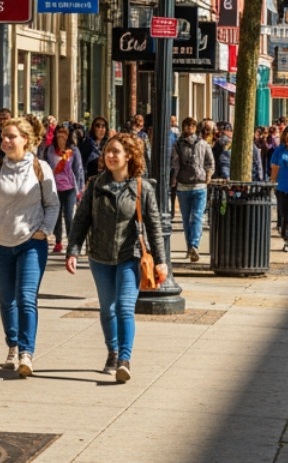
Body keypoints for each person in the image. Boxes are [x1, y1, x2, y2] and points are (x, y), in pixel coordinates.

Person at [66, 133, 167, 381]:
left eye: (116, 152)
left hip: (130, 256)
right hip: (99, 255)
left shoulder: (142, 187)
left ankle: (124, 358)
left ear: (128, 156)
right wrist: (73, 250)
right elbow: (81, 220)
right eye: (108, 151)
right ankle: (112, 350)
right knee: (107, 309)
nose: (110, 156)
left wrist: (162, 261)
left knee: (124, 308)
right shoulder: (96, 184)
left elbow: (154, 226)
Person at [0, 116, 59, 376]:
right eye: (3, 137)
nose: (5, 141)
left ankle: (26, 354)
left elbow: (52, 204)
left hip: (31, 243)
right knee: (7, 300)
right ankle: (12, 346)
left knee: (26, 299)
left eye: (11, 136)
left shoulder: (39, 167)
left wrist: (44, 232)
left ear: (26, 140)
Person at [171, 118, 213, 262]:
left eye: (192, 126)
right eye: (187, 126)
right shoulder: (177, 144)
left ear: (195, 128)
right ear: (183, 128)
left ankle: (194, 245)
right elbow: (175, 163)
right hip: (183, 186)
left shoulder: (203, 144)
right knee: (186, 218)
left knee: (197, 217)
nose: (189, 128)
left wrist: (208, 176)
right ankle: (190, 247)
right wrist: (174, 178)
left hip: (200, 186)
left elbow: (210, 162)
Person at [43, 123, 79, 254]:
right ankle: (58, 241)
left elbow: (78, 169)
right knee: (56, 216)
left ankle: (71, 242)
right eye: (59, 132)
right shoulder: (50, 150)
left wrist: (79, 189)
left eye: (64, 133)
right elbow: (44, 167)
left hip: (69, 188)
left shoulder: (73, 150)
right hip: (54, 187)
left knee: (69, 216)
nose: (62, 135)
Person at [82, 116, 110, 180]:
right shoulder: (87, 143)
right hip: (90, 179)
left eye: (103, 126)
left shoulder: (108, 144)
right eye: (98, 126)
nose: (101, 129)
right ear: (93, 128)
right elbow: (82, 165)